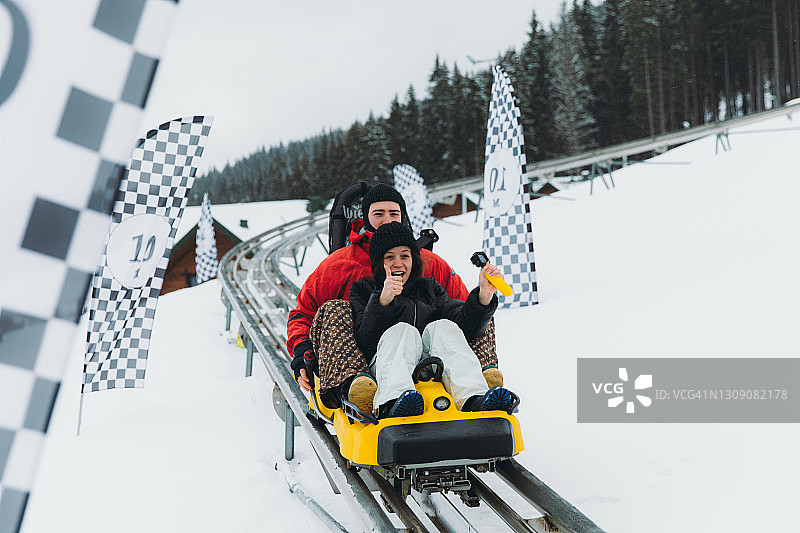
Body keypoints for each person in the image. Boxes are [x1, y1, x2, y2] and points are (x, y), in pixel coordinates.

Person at [287, 183, 502, 409]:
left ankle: (480, 381)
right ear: (366, 217)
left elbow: (461, 314)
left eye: (394, 213)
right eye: (378, 213)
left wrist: (483, 298)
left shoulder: (430, 267)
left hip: (430, 354)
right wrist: (302, 349)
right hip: (368, 355)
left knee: (476, 308)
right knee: (336, 309)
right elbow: (305, 313)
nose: (387, 219)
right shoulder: (341, 266)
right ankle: (357, 385)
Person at [349, 222, 515, 417]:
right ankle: (393, 403)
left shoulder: (429, 289)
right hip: (387, 367)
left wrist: (484, 295)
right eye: (389, 257)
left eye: (405, 256)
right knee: (404, 331)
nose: (398, 263)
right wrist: (382, 301)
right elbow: (365, 342)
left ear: (413, 259)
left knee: (443, 327)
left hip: (431, 369)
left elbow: (463, 327)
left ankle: (473, 397)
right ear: (378, 263)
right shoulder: (363, 290)